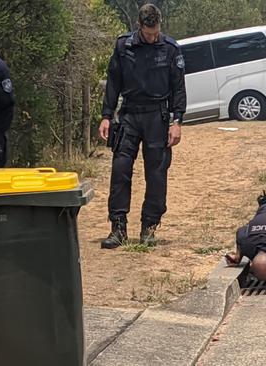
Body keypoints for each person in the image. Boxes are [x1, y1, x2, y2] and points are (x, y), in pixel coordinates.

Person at [99, 4, 186, 248]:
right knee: (120, 170)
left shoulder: (169, 49)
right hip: (129, 114)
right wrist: (107, 115)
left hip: (157, 116)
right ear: (139, 27)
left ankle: (149, 227)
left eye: (155, 32)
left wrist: (177, 121)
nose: (152, 37)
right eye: (148, 33)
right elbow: (113, 83)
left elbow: (178, 87)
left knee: (156, 174)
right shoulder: (124, 46)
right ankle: (118, 228)